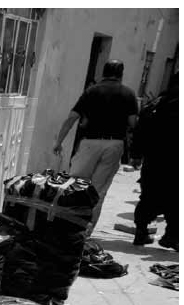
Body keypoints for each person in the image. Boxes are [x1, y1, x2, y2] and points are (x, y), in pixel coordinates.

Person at [52, 60, 139, 235]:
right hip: (114, 144)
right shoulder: (129, 94)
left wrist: (59, 141)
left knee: (75, 185)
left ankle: (67, 227)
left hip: (89, 143)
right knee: (98, 191)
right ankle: (85, 233)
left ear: (103, 72)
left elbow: (72, 118)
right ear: (121, 74)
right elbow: (133, 123)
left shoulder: (91, 91)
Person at [131, 72, 178, 250]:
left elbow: (140, 130)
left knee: (149, 196)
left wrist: (136, 155)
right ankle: (171, 236)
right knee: (175, 199)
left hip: (154, 160)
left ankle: (141, 231)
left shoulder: (155, 104)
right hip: (175, 162)